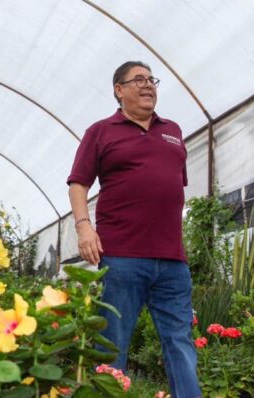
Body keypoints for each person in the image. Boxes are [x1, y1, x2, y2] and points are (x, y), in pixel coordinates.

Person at [67, 61, 200, 397]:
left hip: (172, 259)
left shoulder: (173, 130)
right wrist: (84, 229)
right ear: (119, 89)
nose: (147, 86)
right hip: (123, 256)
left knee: (180, 341)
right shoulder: (100, 131)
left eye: (151, 80)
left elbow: (170, 186)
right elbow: (78, 183)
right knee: (113, 342)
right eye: (138, 80)